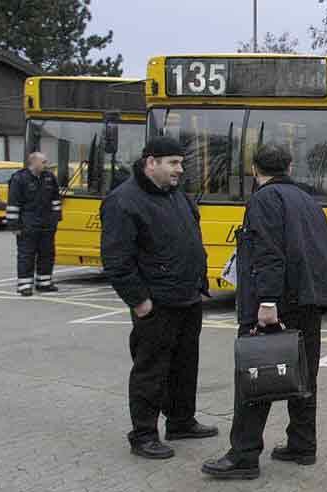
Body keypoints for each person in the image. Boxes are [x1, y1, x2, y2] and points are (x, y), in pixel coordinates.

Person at [202, 144, 327, 479]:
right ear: (289, 166)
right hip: (309, 301)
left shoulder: (264, 199)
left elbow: (268, 253)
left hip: (277, 303)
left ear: (254, 169)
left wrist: (267, 302)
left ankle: (244, 456)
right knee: (304, 376)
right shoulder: (309, 201)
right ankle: (302, 446)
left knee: (255, 373)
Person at [100, 136, 218, 460]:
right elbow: (116, 259)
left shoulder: (175, 193)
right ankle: (143, 434)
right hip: (157, 304)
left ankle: (180, 422)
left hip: (187, 296)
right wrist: (139, 301)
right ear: (151, 162)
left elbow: (190, 235)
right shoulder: (123, 201)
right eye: (173, 163)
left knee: (184, 365)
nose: (180, 169)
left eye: (181, 163)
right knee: (151, 370)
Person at [5, 152, 61, 296]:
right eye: (43, 162)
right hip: (27, 225)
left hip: (47, 225)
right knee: (26, 255)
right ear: (33, 162)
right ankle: (24, 285)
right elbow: (13, 204)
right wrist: (14, 226)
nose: (46, 164)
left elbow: (56, 199)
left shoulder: (49, 177)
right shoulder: (19, 178)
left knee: (47, 254)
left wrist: (56, 218)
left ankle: (44, 283)